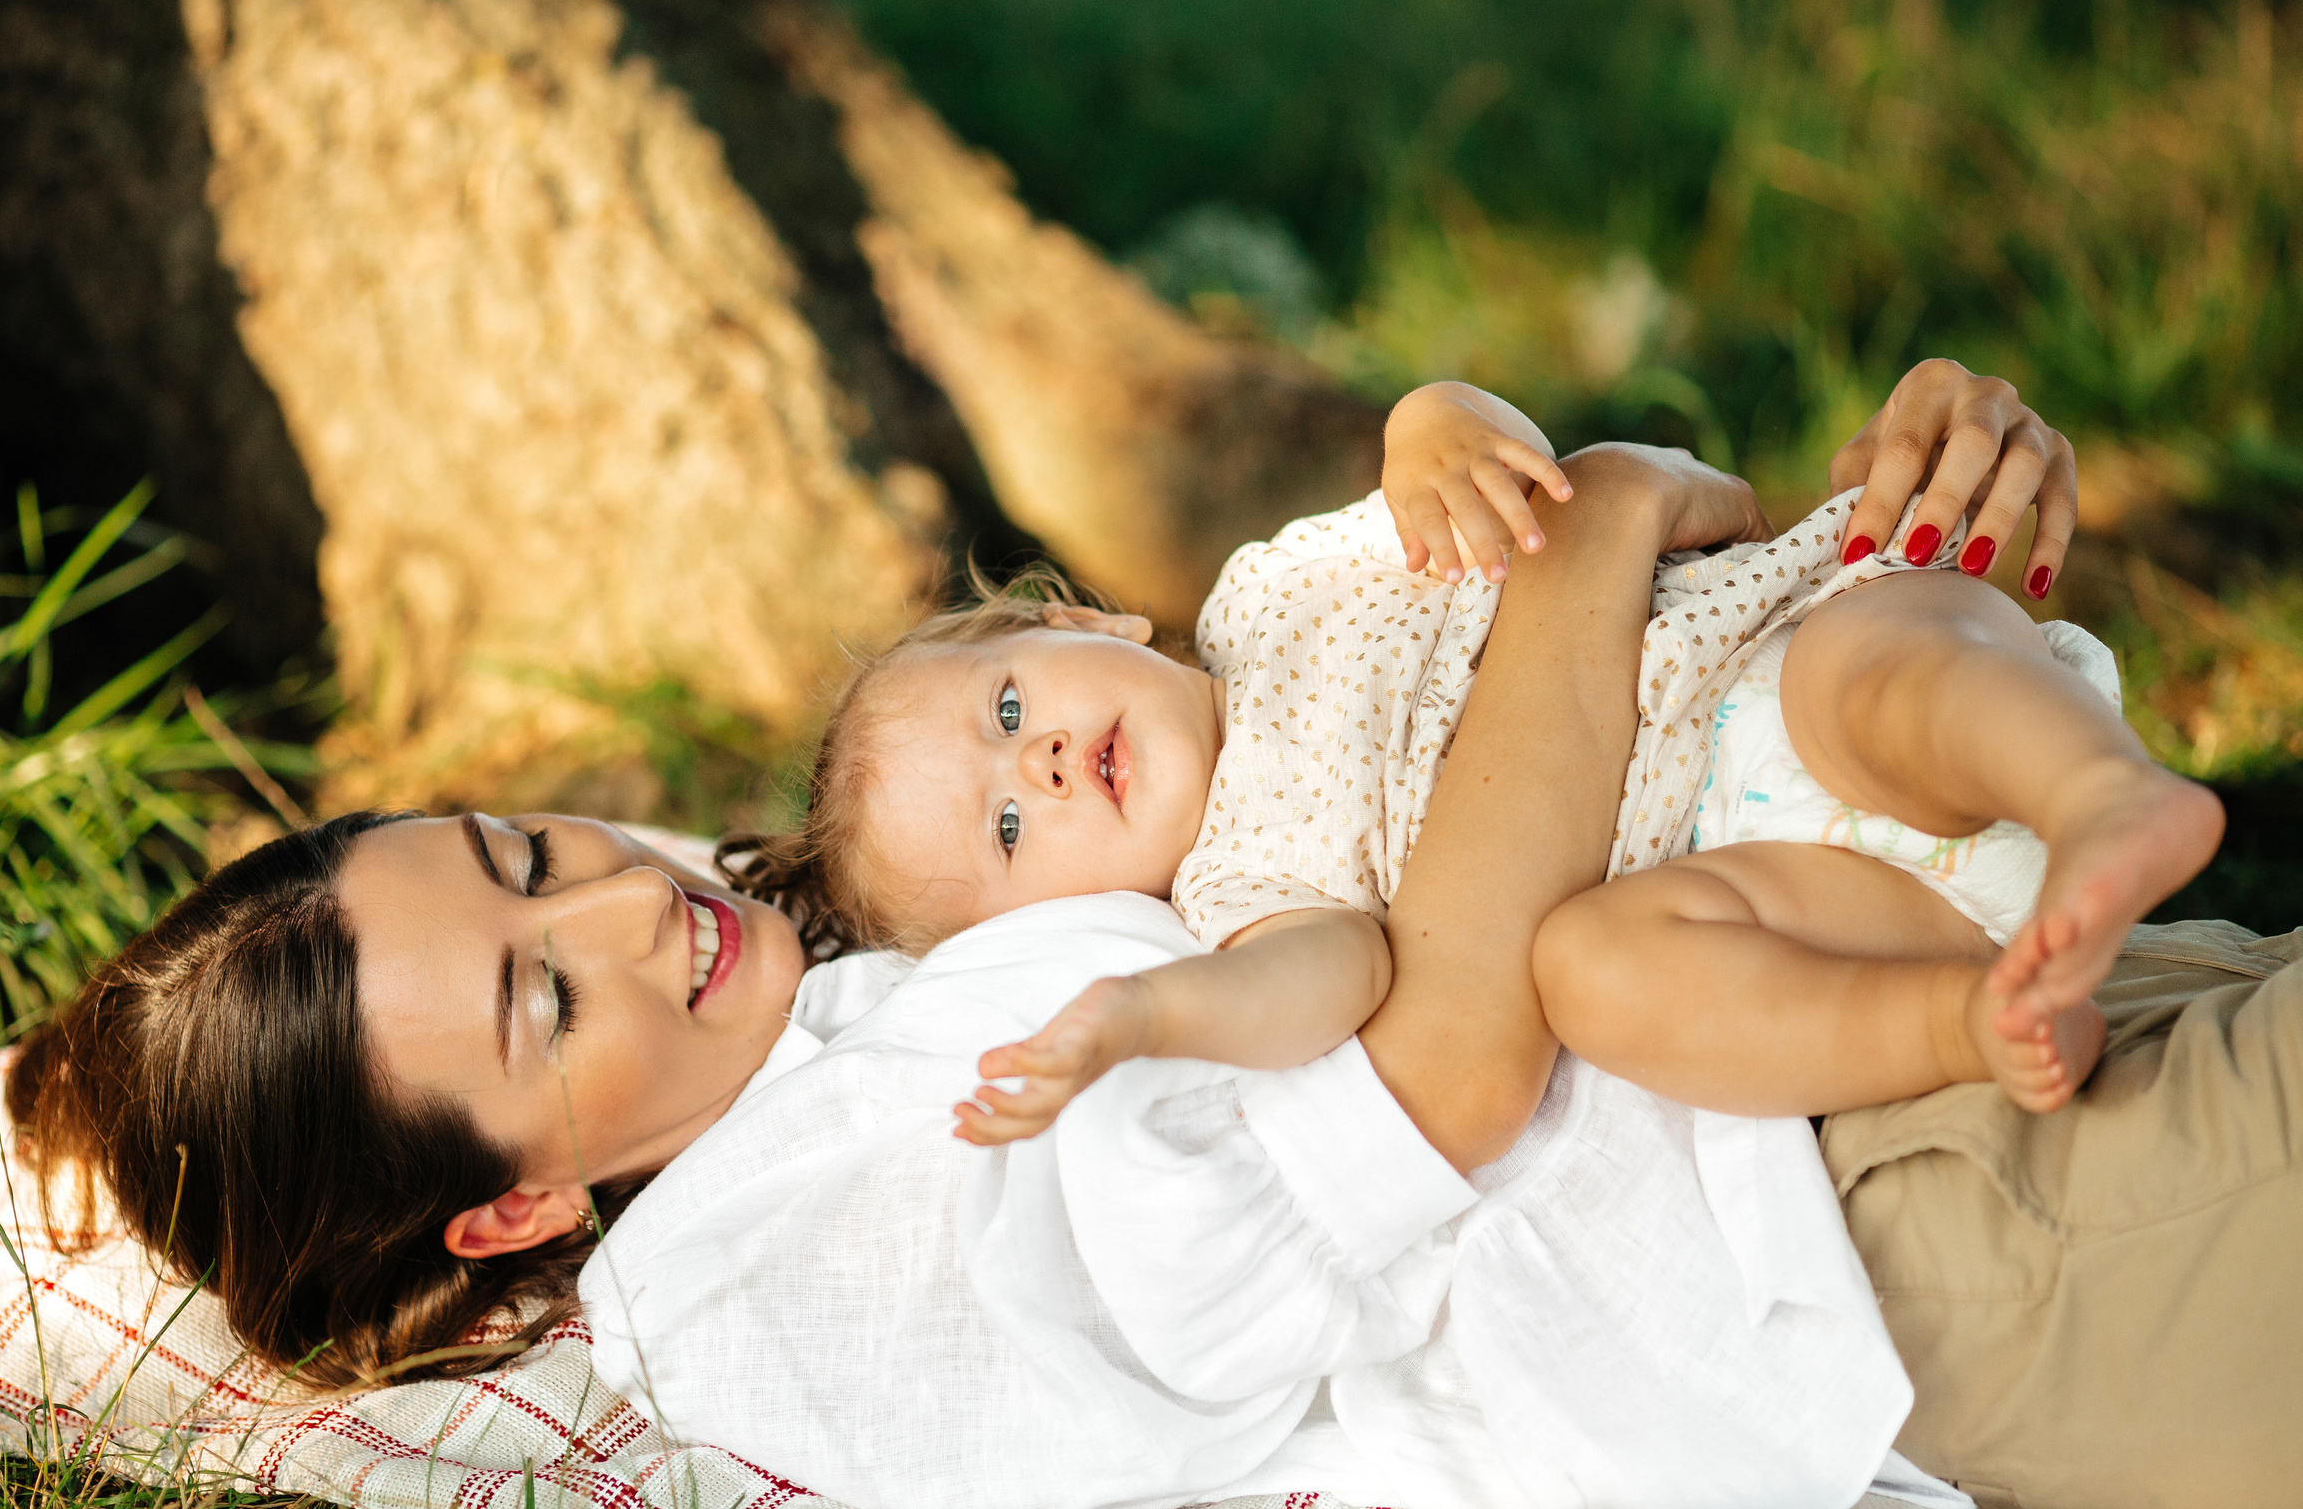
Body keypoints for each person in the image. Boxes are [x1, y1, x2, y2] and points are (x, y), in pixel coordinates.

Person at [4, 362, 2301, 1509]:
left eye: (528, 852)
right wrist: (1595, 535)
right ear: (507, 1207)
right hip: (1914, 1196)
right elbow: (1440, 1077)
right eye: (541, 999)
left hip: (1910, 956)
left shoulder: (856, 940)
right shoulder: (783, 1259)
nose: (627, 909)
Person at [716, 383, 2219, 1146]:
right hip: (1800, 883)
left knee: (1878, 671)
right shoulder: (1245, 882)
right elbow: (1307, 985)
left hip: (1786, 659)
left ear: (1085, 619)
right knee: (1598, 969)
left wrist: (1436, 421)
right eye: (1003, 828)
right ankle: (1982, 1019)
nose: (1040, 766)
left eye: (1004, 711)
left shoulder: (1278, 585)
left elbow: (1495, 481)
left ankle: (2101, 802)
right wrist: (1136, 1018)